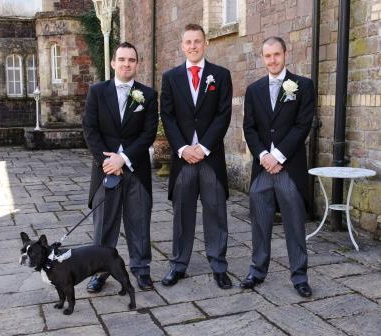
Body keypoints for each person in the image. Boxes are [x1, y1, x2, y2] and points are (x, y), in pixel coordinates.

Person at [160, 23, 233, 289]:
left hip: (210, 158)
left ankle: (219, 266)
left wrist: (203, 147)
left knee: (215, 213)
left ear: (206, 44)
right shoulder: (170, 77)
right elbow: (167, 115)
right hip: (183, 160)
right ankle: (178, 265)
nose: (193, 46)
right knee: (182, 214)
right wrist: (182, 149)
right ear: (182, 45)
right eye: (188, 41)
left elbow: (223, 114)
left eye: (197, 41)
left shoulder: (221, 75)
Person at [242, 36, 315, 297]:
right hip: (262, 169)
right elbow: (249, 127)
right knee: (259, 221)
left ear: (285, 54)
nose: (272, 60)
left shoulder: (303, 86)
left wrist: (279, 156)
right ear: (263, 58)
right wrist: (263, 155)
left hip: (288, 168)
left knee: (294, 224)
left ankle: (299, 276)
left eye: (276, 54)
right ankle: (257, 270)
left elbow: (302, 125)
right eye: (267, 56)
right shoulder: (254, 90)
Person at [82, 42, 158, 291]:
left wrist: (123, 159)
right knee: (105, 224)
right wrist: (107, 161)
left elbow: (148, 133)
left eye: (131, 60)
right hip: (105, 170)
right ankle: (100, 272)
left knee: (139, 222)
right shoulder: (97, 91)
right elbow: (90, 129)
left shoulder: (147, 94)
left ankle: (141, 269)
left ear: (137, 64)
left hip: (136, 169)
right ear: (113, 63)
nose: (126, 64)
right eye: (122, 59)